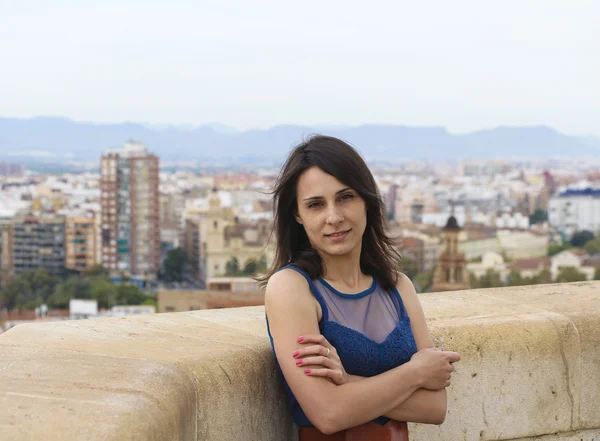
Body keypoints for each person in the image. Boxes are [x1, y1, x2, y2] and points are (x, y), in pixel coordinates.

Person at [262, 135, 460, 440]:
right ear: (298, 216)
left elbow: (435, 407)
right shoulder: (291, 288)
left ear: (366, 200)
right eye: (316, 205)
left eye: (345, 197)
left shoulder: (397, 287)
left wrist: (347, 381)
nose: (334, 217)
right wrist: (415, 372)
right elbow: (328, 414)